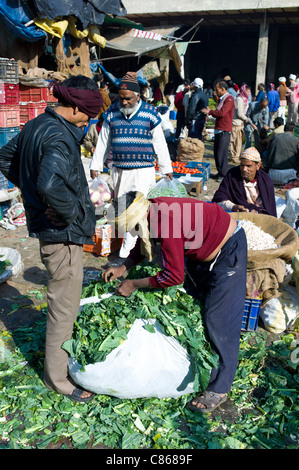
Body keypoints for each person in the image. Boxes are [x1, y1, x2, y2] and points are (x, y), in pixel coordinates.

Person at [0, 75, 104, 402]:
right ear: (73, 107)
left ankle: (59, 363)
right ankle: (57, 379)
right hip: (61, 233)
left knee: (63, 299)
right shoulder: (59, 137)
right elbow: (50, 184)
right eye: (88, 114)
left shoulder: (37, 124)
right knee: (63, 307)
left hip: (47, 226)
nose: (89, 121)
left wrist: (27, 189)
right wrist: (71, 212)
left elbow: (5, 158)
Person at [102, 190, 247, 413]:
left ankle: (220, 387)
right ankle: (205, 360)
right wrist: (124, 266)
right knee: (199, 304)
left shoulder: (164, 222)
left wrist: (134, 283)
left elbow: (174, 276)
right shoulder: (150, 209)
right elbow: (144, 243)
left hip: (229, 250)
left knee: (218, 319)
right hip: (204, 250)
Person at [89, 71, 173, 258]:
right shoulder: (112, 113)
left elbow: (160, 143)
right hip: (119, 171)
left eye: (128, 99)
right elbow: (104, 141)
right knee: (123, 211)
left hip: (142, 172)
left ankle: (129, 252)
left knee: (138, 211)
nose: (124, 102)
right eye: (121, 98)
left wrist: (166, 168)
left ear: (137, 96)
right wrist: (96, 165)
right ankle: (133, 249)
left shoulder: (150, 114)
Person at [212, 147, 277, 216]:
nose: (244, 169)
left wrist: (257, 213)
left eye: (248, 166)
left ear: (258, 166)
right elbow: (219, 198)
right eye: (242, 165)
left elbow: (269, 210)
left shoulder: (266, 181)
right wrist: (233, 207)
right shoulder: (232, 175)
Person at [202, 80, 235, 181]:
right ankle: (219, 172)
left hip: (224, 129)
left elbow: (222, 113)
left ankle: (224, 174)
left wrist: (210, 111)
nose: (216, 92)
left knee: (222, 153)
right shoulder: (222, 99)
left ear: (223, 89)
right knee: (216, 152)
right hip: (219, 128)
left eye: (217, 89)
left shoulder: (229, 99)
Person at [229, 84, 252, 164]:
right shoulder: (240, 99)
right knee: (235, 142)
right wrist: (246, 118)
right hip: (236, 123)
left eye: (249, 92)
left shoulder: (242, 99)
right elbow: (239, 113)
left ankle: (234, 156)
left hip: (238, 123)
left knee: (237, 141)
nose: (249, 93)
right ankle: (234, 157)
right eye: (248, 92)